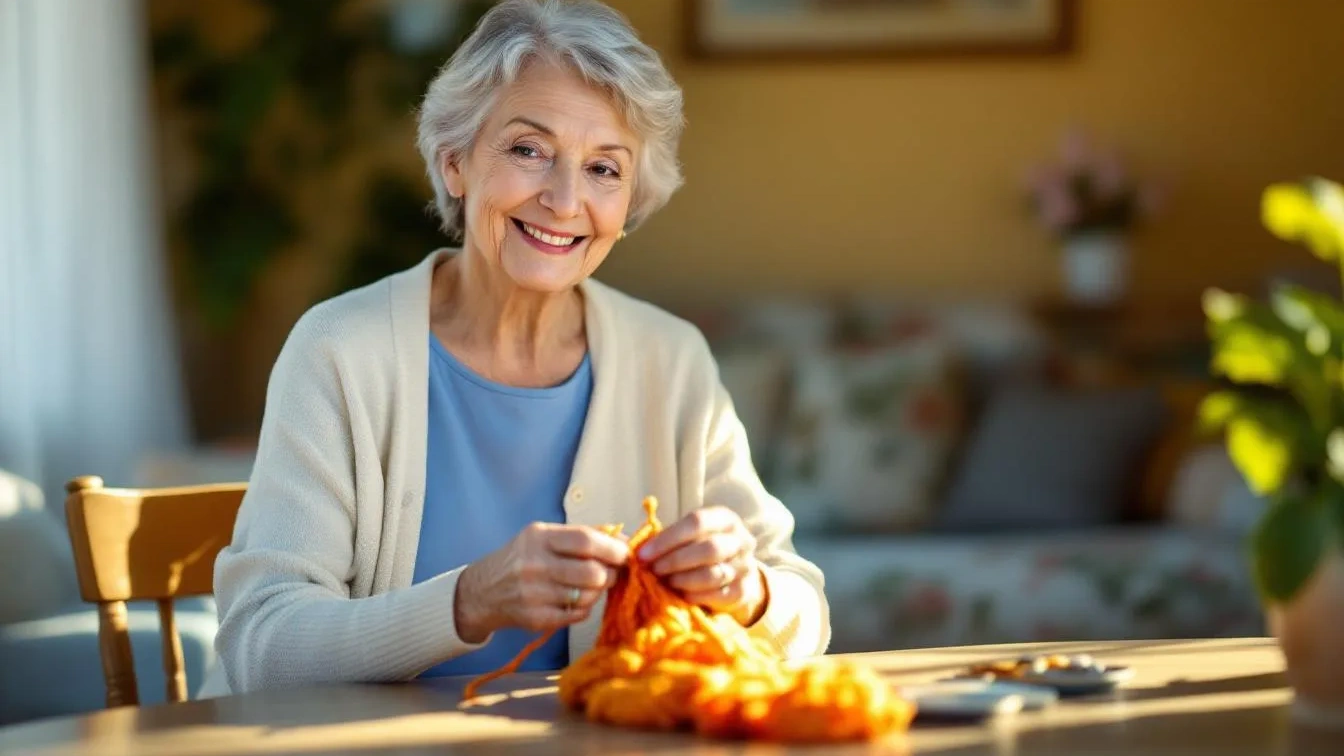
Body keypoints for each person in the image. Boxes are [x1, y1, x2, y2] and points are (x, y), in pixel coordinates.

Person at [201, 0, 829, 696]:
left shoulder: (670, 360)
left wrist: (752, 593)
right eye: (529, 150)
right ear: (456, 163)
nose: (564, 200)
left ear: (630, 204)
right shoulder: (340, 351)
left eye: (604, 169)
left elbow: (806, 610)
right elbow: (263, 644)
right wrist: (468, 600)